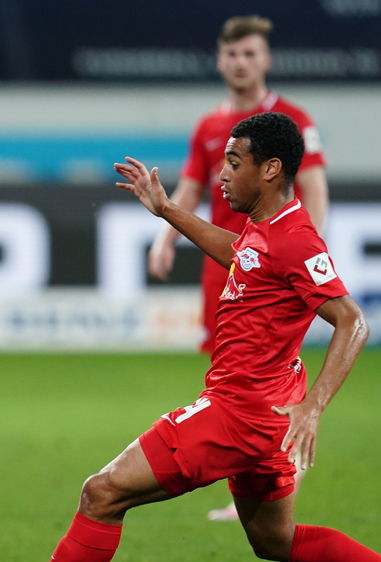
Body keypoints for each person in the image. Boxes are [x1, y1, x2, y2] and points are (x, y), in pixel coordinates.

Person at [0, 112, 381, 562]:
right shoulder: (265, 230)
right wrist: (167, 210)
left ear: (271, 169)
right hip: (269, 416)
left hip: (239, 415)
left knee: (101, 493)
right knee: (275, 540)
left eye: (233, 162)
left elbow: (352, 320)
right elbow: (240, 255)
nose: (220, 174)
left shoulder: (296, 238)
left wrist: (315, 406)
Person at [148, 15, 329, 521]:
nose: (241, 63)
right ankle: (251, 480)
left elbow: (314, 190)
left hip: (276, 266)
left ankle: (279, 465)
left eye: (250, 54)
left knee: (274, 364)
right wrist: (164, 236)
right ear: (220, 60)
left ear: (265, 60)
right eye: (233, 54)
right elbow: (190, 187)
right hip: (224, 261)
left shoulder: (292, 122)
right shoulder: (209, 126)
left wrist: (303, 253)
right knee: (229, 369)